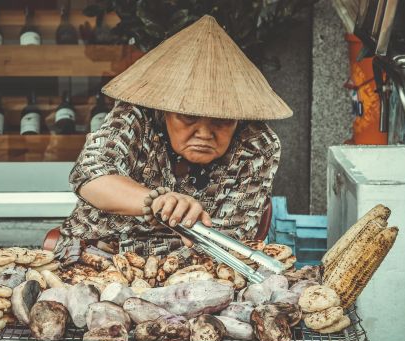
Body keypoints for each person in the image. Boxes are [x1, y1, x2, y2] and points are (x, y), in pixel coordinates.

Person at [56, 15, 292, 260]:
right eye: (188, 117)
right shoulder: (135, 116)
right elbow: (90, 174)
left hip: (198, 270)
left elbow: (230, 240)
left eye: (221, 120)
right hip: (94, 253)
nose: (204, 133)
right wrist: (157, 202)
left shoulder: (257, 144)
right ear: (165, 110)